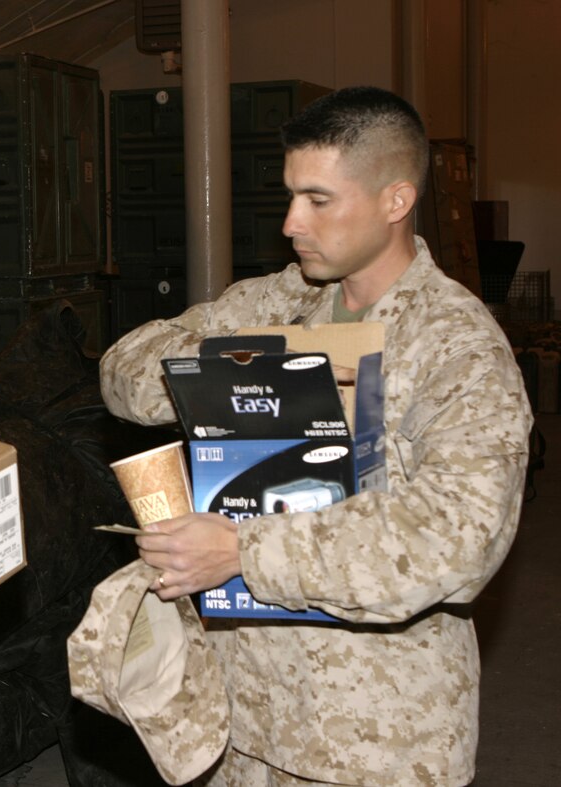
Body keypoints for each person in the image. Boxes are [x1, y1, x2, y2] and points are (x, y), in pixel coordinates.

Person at [99, 86, 532, 786]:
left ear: (395, 200)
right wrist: (231, 375)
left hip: (374, 740)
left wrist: (243, 549)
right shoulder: (279, 302)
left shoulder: (456, 345)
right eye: (291, 195)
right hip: (244, 722)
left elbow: (457, 538)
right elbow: (121, 370)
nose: (292, 221)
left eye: (319, 200)